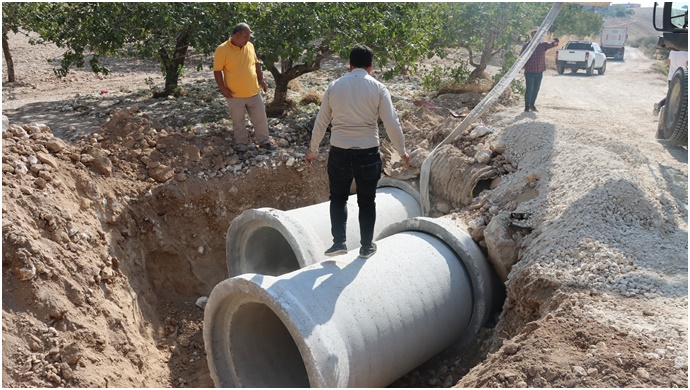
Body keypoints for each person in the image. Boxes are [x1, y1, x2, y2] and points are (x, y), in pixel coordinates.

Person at [305, 45, 410, 259]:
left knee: (338, 198)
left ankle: (339, 243)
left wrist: (313, 149)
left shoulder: (334, 86)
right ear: (370, 67)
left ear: (350, 65)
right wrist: (403, 151)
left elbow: (322, 121)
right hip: (368, 152)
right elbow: (392, 123)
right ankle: (366, 246)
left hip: (339, 151)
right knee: (367, 200)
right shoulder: (379, 88)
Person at [214, 22, 276, 157]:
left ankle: (264, 142)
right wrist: (223, 89)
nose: (248, 38)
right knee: (238, 122)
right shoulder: (222, 49)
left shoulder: (250, 46)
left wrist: (261, 80)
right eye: (246, 36)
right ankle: (242, 146)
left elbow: (256, 64)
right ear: (237, 35)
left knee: (260, 118)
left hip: (254, 92)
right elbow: (217, 71)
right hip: (234, 95)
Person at [521, 27, 559, 112]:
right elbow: (521, 58)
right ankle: (527, 106)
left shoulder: (542, 45)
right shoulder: (527, 45)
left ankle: (532, 105)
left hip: (539, 71)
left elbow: (553, 44)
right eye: (534, 33)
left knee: (536, 89)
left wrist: (556, 41)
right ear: (532, 35)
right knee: (529, 89)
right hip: (529, 71)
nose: (536, 35)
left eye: (537, 33)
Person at [653, 50, 688, 116]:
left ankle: (660, 105)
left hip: (671, 77)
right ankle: (671, 115)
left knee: (672, 96)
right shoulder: (687, 54)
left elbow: (669, 63)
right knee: (677, 98)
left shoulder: (672, 52)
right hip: (683, 79)